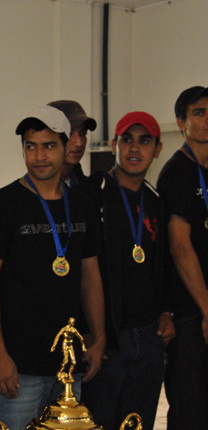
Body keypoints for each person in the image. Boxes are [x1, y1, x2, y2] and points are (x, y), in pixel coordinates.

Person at [0, 106, 105, 430]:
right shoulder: (1, 206)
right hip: (17, 367)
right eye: (30, 146)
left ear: (66, 147)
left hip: (68, 366)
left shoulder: (82, 206)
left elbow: (90, 277)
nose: (39, 155)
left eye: (48, 146)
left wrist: (100, 338)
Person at [80, 111, 172, 430]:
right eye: (127, 140)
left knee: (138, 423)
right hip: (107, 338)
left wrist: (166, 312)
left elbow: (166, 265)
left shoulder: (157, 201)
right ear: (115, 145)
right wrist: (92, 331)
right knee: (99, 422)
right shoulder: (92, 193)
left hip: (147, 337)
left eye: (144, 141)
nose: (135, 149)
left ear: (157, 148)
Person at [157, 86, 208, 430]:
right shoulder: (177, 172)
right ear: (181, 122)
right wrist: (207, 309)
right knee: (192, 411)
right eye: (200, 112)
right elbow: (180, 247)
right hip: (192, 314)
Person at [48, 100, 97, 187]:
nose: (79, 143)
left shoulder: (90, 189)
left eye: (83, 133)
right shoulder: (27, 192)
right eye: (69, 133)